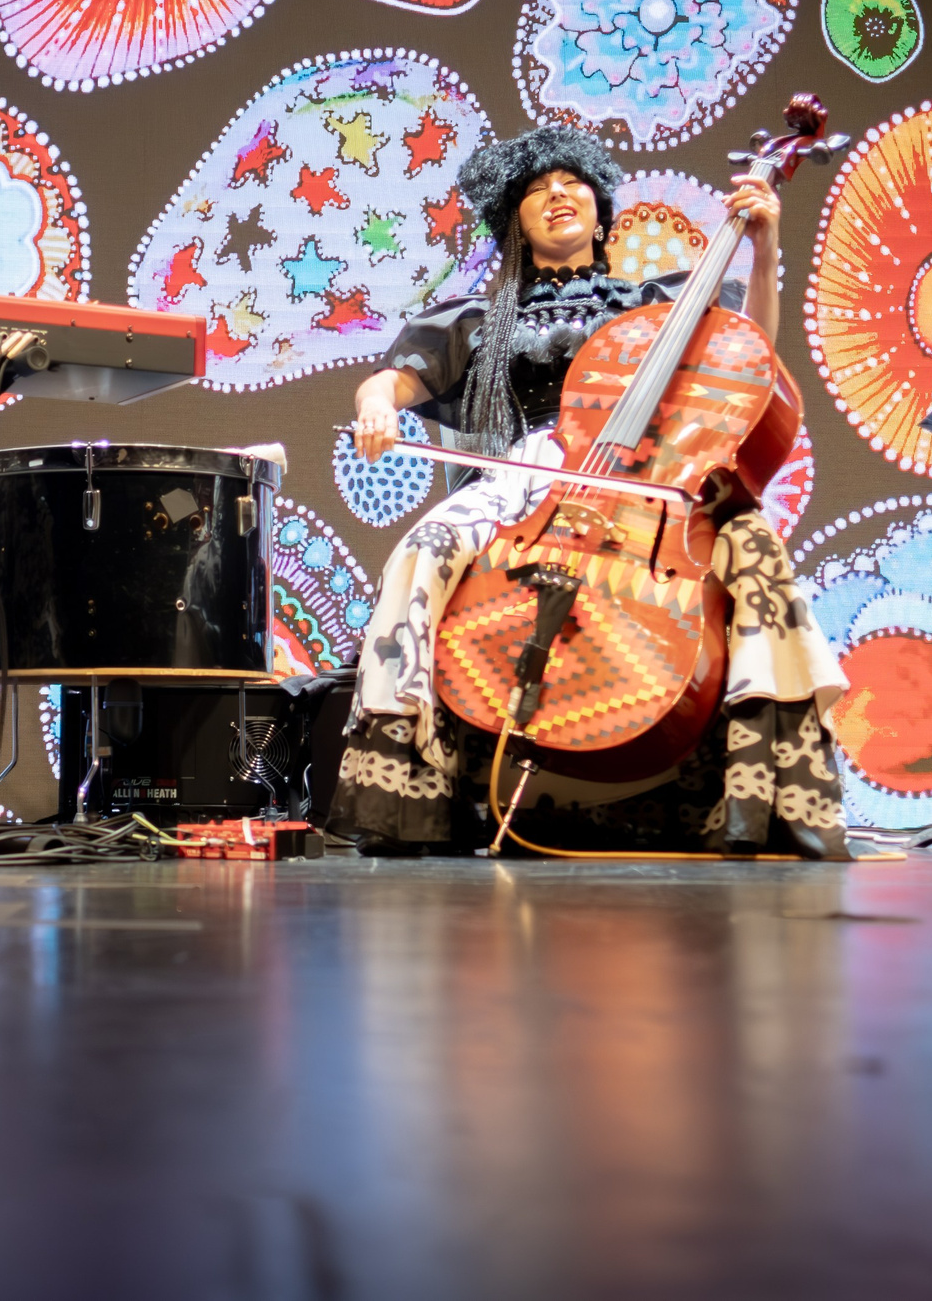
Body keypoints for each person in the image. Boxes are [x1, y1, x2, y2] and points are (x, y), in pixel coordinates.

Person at [332, 125, 852, 858]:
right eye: (537, 188)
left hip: (648, 477)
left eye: (572, 182)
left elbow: (750, 353)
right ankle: (409, 774)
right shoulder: (477, 320)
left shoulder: (652, 303)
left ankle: (766, 785)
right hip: (529, 473)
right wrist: (376, 406)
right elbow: (391, 380)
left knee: (753, 545)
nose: (557, 194)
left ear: (602, 212)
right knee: (425, 546)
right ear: (515, 223)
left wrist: (764, 247)